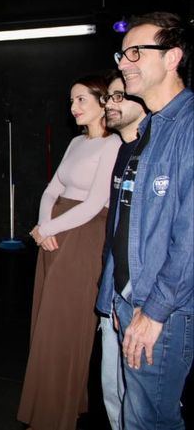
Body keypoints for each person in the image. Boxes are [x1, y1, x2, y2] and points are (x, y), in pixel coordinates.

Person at [96, 11, 193, 429]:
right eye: (122, 54)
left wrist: (153, 312)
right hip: (132, 300)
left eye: (136, 52)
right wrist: (117, 295)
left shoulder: (188, 126)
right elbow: (128, 222)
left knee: (149, 421)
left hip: (162, 311)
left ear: (173, 58)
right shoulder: (150, 128)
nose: (124, 62)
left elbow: (190, 238)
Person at [17, 74, 121, 430]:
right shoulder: (77, 142)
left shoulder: (113, 144)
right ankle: (55, 405)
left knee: (65, 327)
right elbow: (52, 189)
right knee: (46, 322)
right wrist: (44, 226)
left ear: (103, 102)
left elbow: (95, 203)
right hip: (55, 235)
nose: (73, 107)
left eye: (81, 100)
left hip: (83, 238)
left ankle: (53, 417)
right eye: (72, 101)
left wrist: (47, 229)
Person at [97, 70, 147, 430]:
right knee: (112, 388)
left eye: (118, 96)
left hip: (142, 299)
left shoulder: (154, 152)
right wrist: (112, 293)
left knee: (143, 401)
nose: (109, 104)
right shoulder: (122, 151)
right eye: (108, 98)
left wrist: (135, 299)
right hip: (114, 287)